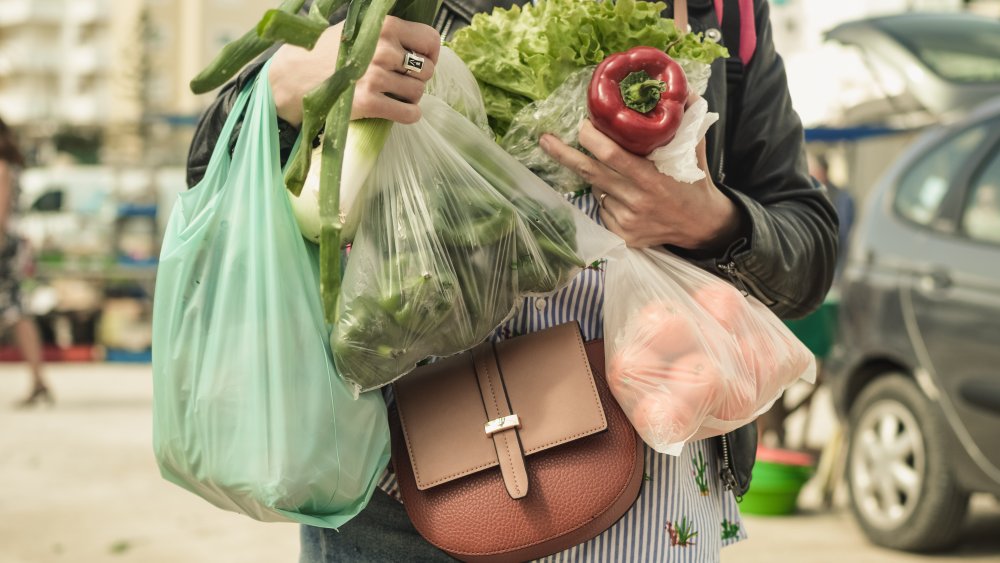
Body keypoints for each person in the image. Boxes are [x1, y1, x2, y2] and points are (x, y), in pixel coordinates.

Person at [186, 0, 837, 560]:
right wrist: (286, 87)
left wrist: (712, 222)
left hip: (646, 483)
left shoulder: (719, 10)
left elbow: (808, 243)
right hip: (404, 491)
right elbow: (211, 164)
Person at [0, 117, 51, 408]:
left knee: (16, 312)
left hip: (3, 246)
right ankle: (38, 380)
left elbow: (1, 214)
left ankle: (38, 380)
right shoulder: (12, 165)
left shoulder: (2, 167)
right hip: (13, 245)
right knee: (17, 311)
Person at [808, 152, 854, 280]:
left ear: (822, 172)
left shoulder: (841, 197)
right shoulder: (814, 194)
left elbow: (843, 234)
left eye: (812, 171)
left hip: (834, 263)